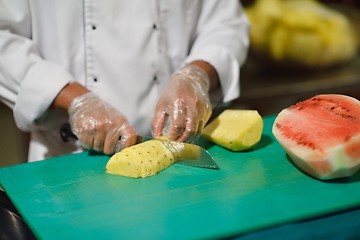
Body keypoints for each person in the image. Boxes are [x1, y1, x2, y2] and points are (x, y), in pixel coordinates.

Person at [0, 1, 249, 162]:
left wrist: (196, 75)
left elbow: (226, 24)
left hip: (176, 153)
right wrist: (75, 99)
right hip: (69, 158)